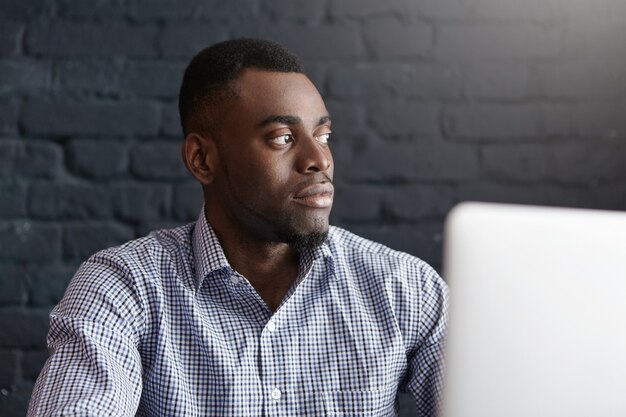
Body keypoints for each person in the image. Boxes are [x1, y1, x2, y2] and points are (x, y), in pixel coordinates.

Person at [27, 38, 448, 416]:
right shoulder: (124, 286)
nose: (318, 159)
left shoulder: (406, 288)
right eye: (283, 137)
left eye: (324, 134)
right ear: (202, 160)